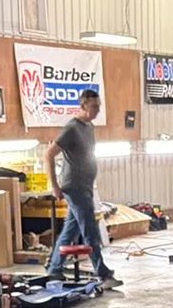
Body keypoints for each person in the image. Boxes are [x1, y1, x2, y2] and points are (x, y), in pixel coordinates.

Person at [44, 89, 123, 288]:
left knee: (70, 230)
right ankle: (103, 274)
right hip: (75, 187)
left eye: (99, 106)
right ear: (83, 106)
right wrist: (55, 186)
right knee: (90, 231)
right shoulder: (72, 128)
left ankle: (54, 269)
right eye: (94, 106)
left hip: (86, 186)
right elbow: (48, 155)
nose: (97, 110)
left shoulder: (89, 127)